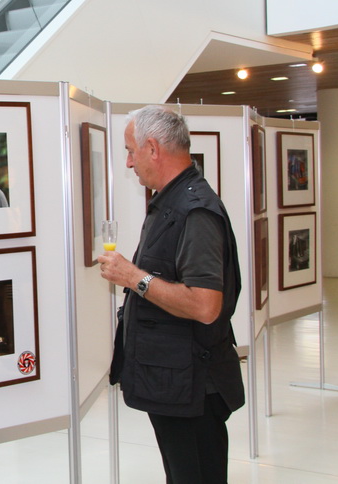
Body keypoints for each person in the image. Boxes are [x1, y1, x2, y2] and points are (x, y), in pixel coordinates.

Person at [98, 106, 244, 483]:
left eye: (130, 151)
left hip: (192, 387)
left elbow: (205, 305)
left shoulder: (195, 211)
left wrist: (133, 277)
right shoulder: (171, 201)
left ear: (152, 148)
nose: (129, 163)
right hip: (175, 383)